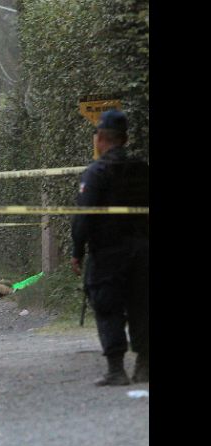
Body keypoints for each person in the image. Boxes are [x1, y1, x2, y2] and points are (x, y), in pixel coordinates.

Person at [71, 109, 149, 386]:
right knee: (142, 304)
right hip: (143, 251)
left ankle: (116, 369)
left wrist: (77, 251)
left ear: (101, 138)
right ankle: (144, 365)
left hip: (108, 253)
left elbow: (84, 216)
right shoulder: (143, 169)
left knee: (107, 306)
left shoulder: (96, 173)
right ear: (125, 139)